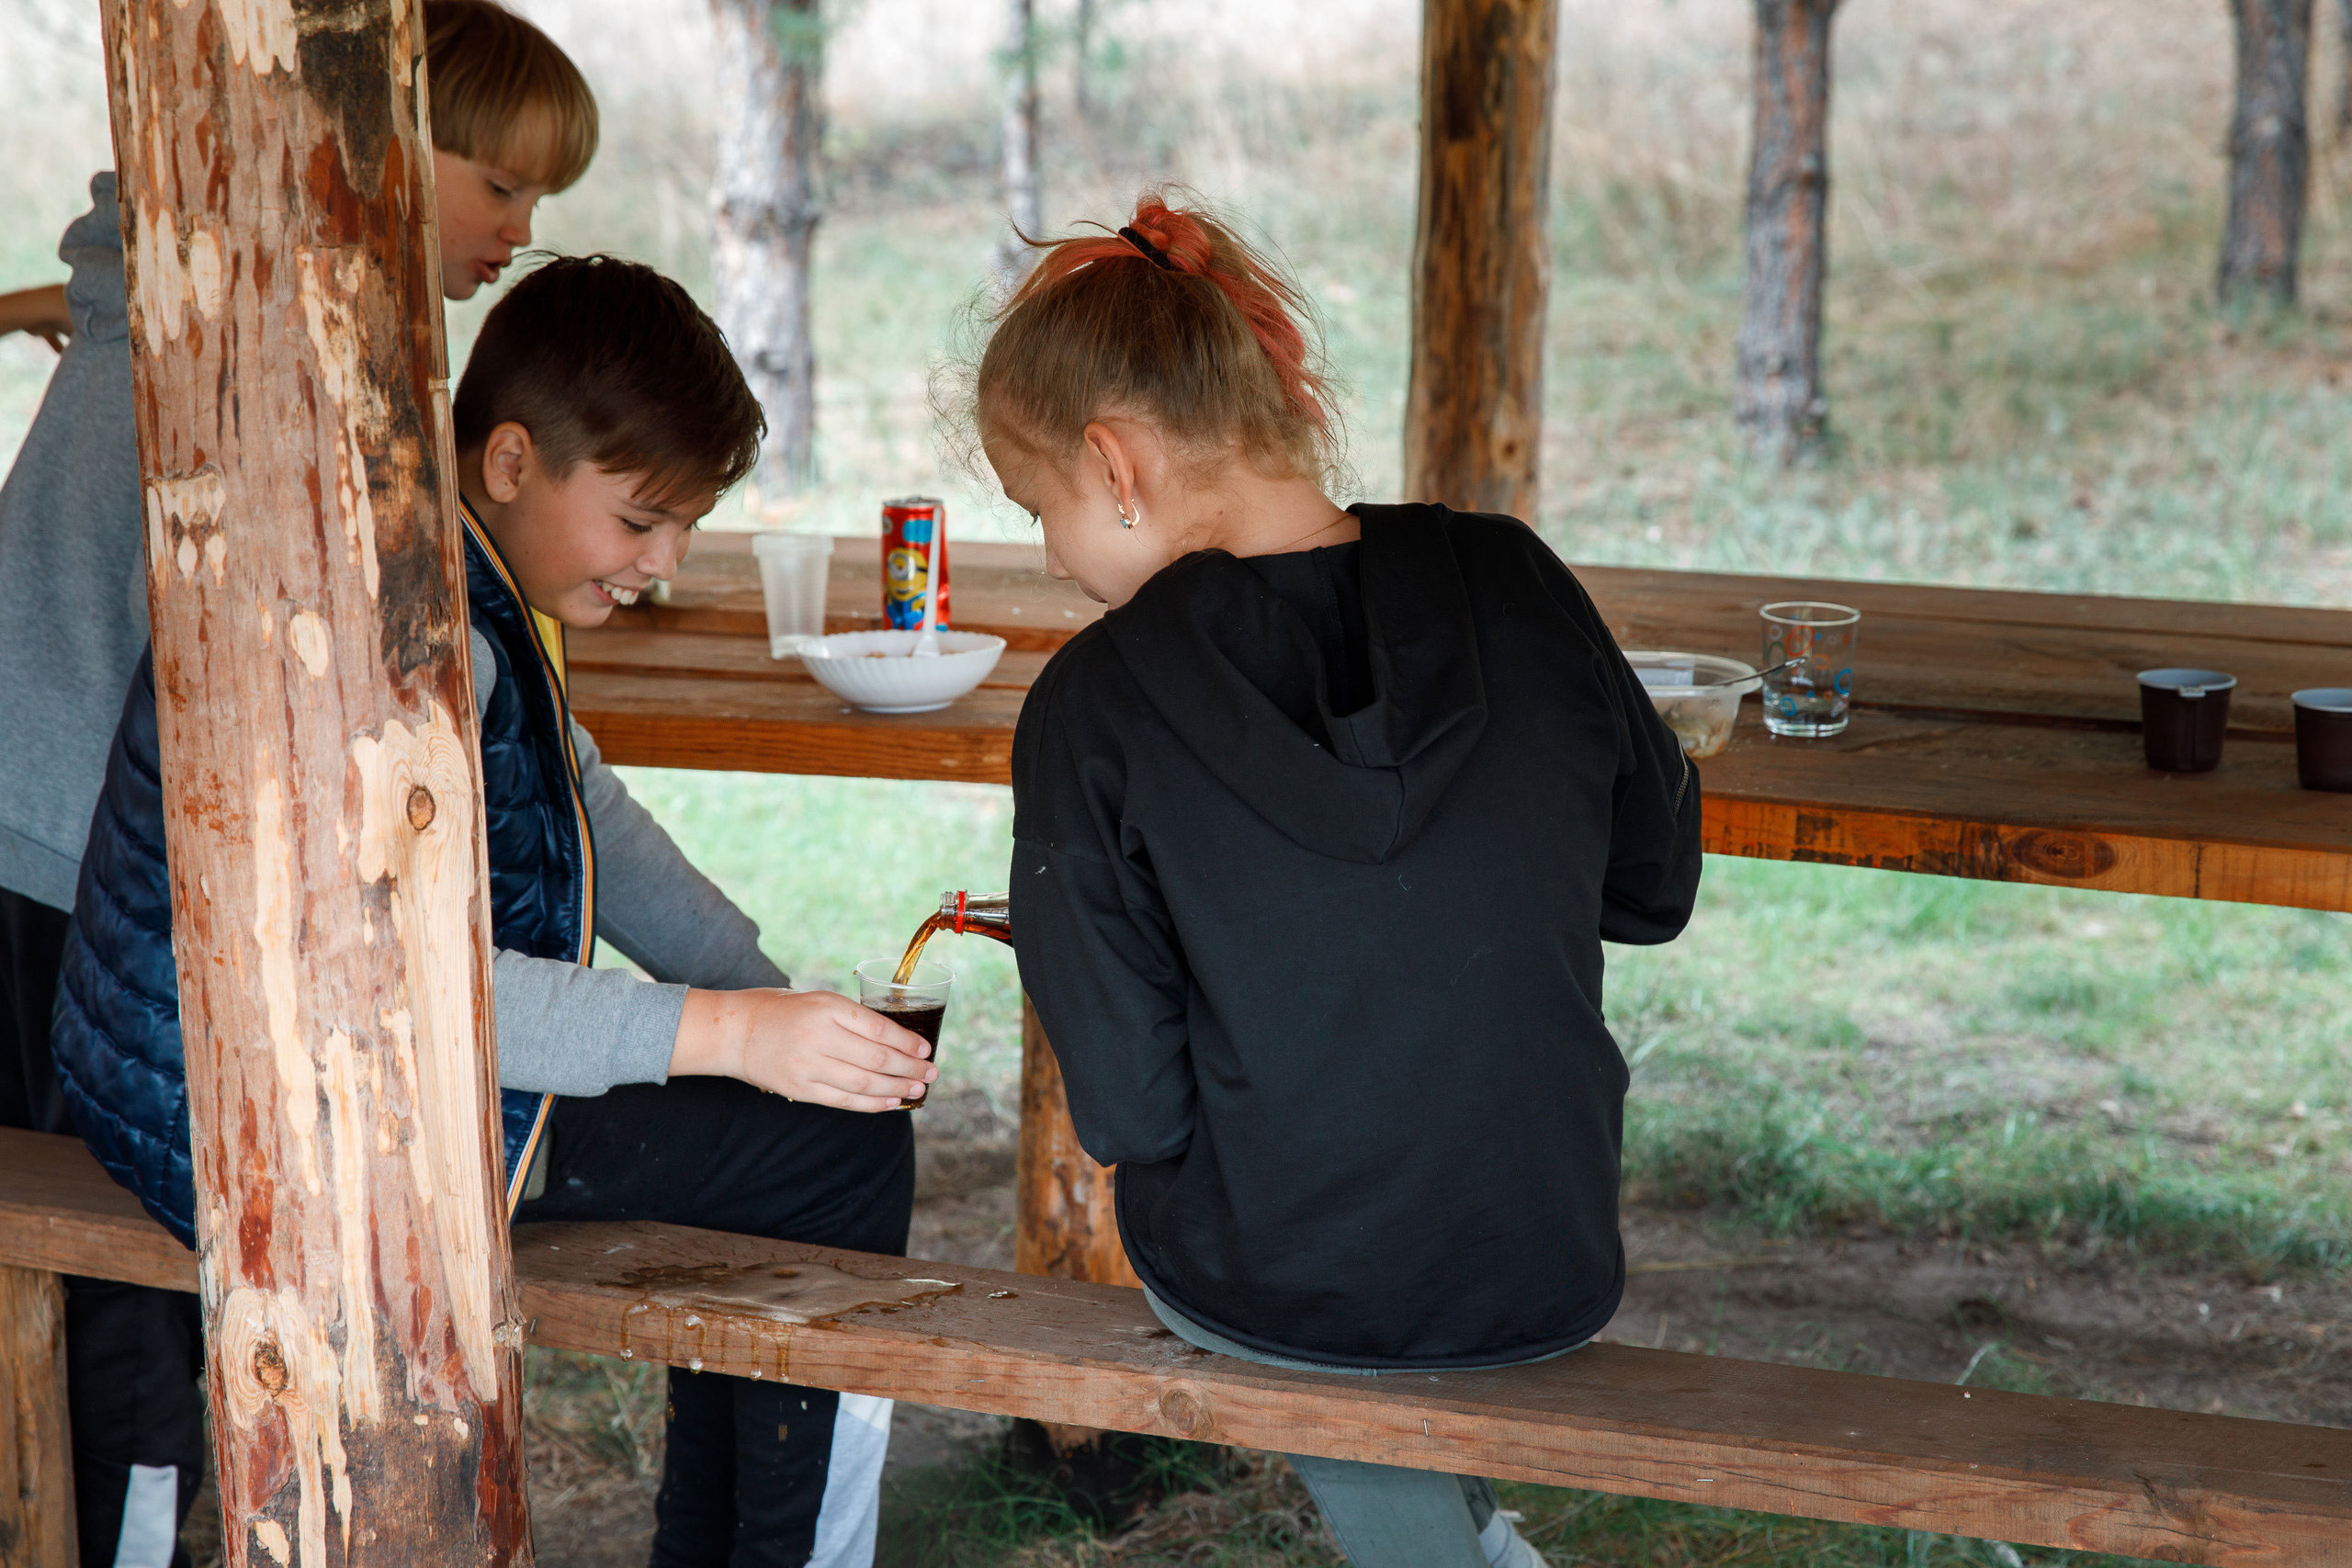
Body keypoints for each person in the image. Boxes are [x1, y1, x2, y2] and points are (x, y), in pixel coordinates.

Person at [52, 253, 932, 1568]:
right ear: (513, 461)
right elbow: (399, 999)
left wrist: (775, 995)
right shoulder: (404, 629)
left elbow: (596, 822)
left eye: (684, 526)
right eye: (641, 521)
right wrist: (738, 1037)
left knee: (808, 1121)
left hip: (251, 1078)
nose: (666, 560)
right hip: (281, 1123)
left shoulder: (443, 563)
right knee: (838, 1157)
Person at [978, 195, 1704, 1568]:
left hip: (1275, 1283)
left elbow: (1129, 1110)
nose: (1059, 562)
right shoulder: (1516, 576)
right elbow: (1653, 890)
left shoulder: (1092, 704)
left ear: (1113, 464)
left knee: (1303, 1248)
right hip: (1546, 1250)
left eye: (1040, 511)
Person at [0, 6, 595, 1564]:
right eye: (500, 186)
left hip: (59, 848)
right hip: (62, 866)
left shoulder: (209, 313)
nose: (519, 233)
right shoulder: (226, 352)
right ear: (386, 144)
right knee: (128, 1272)